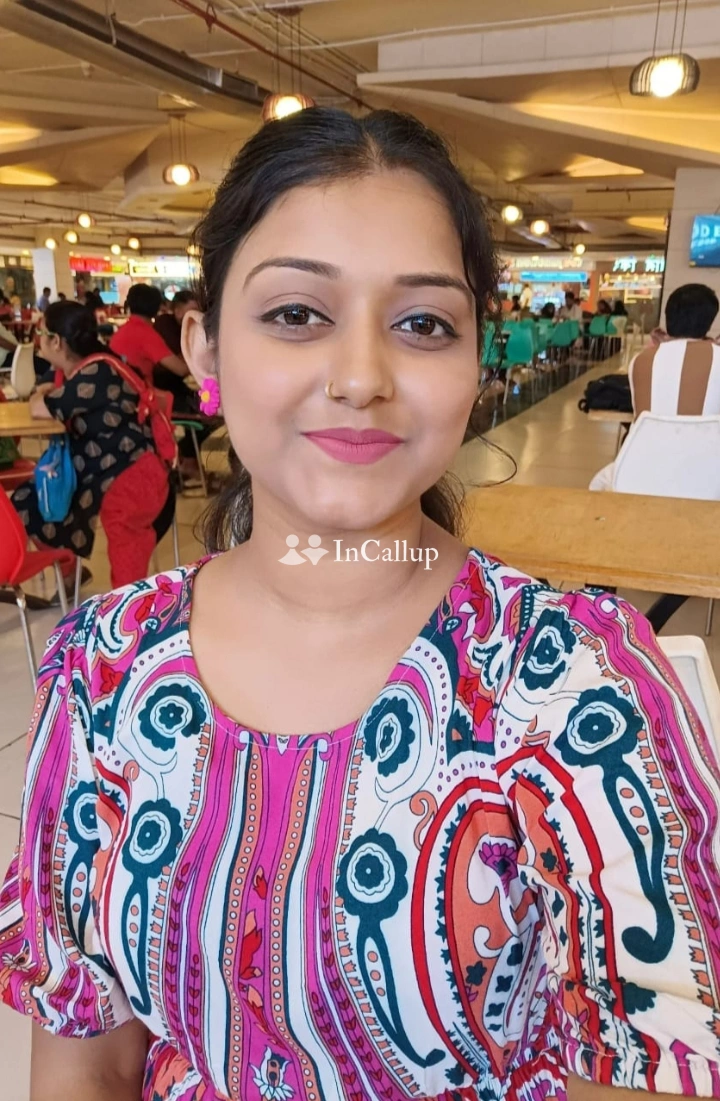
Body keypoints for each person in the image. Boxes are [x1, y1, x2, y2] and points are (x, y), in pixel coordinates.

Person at [2, 108, 720, 1101]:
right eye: (298, 313)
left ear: (475, 361)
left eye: (423, 324)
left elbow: (650, 1055)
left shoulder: (582, 687)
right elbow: (84, 1048)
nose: (360, 378)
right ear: (205, 350)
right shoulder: (101, 665)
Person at [11, 300, 170, 589]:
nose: (37, 340)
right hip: (96, 472)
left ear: (57, 342)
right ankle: (69, 570)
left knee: (122, 531)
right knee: (29, 500)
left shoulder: (97, 372)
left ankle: (128, 605)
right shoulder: (80, 368)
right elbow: (50, 395)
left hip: (131, 473)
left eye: (41, 333)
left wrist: (42, 393)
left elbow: (39, 407)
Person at [109, 282, 188, 387]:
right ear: (157, 307)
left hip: (117, 389)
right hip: (138, 392)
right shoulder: (146, 334)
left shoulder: (121, 331)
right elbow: (181, 370)